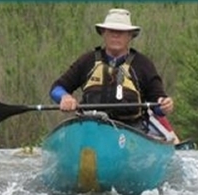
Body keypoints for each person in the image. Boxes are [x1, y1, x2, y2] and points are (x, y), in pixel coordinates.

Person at [49, 8, 174, 141]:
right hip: (90, 128)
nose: (116, 35)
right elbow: (56, 88)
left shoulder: (143, 64)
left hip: (131, 132)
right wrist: (64, 97)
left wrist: (164, 105)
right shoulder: (87, 61)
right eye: (111, 31)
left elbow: (158, 103)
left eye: (121, 32)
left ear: (130, 36)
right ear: (103, 33)